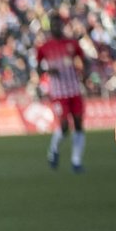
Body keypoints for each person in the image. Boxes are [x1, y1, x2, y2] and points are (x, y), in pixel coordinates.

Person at [33, 18, 88, 173]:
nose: (57, 27)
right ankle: (53, 150)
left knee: (78, 124)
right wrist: (46, 72)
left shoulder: (72, 44)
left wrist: (83, 72)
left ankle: (76, 162)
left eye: (59, 24)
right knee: (64, 126)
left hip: (74, 89)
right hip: (58, 92)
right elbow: (38, 68)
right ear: (50, 27)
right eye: (54, 25)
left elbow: (83, 60)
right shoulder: (44, 47)